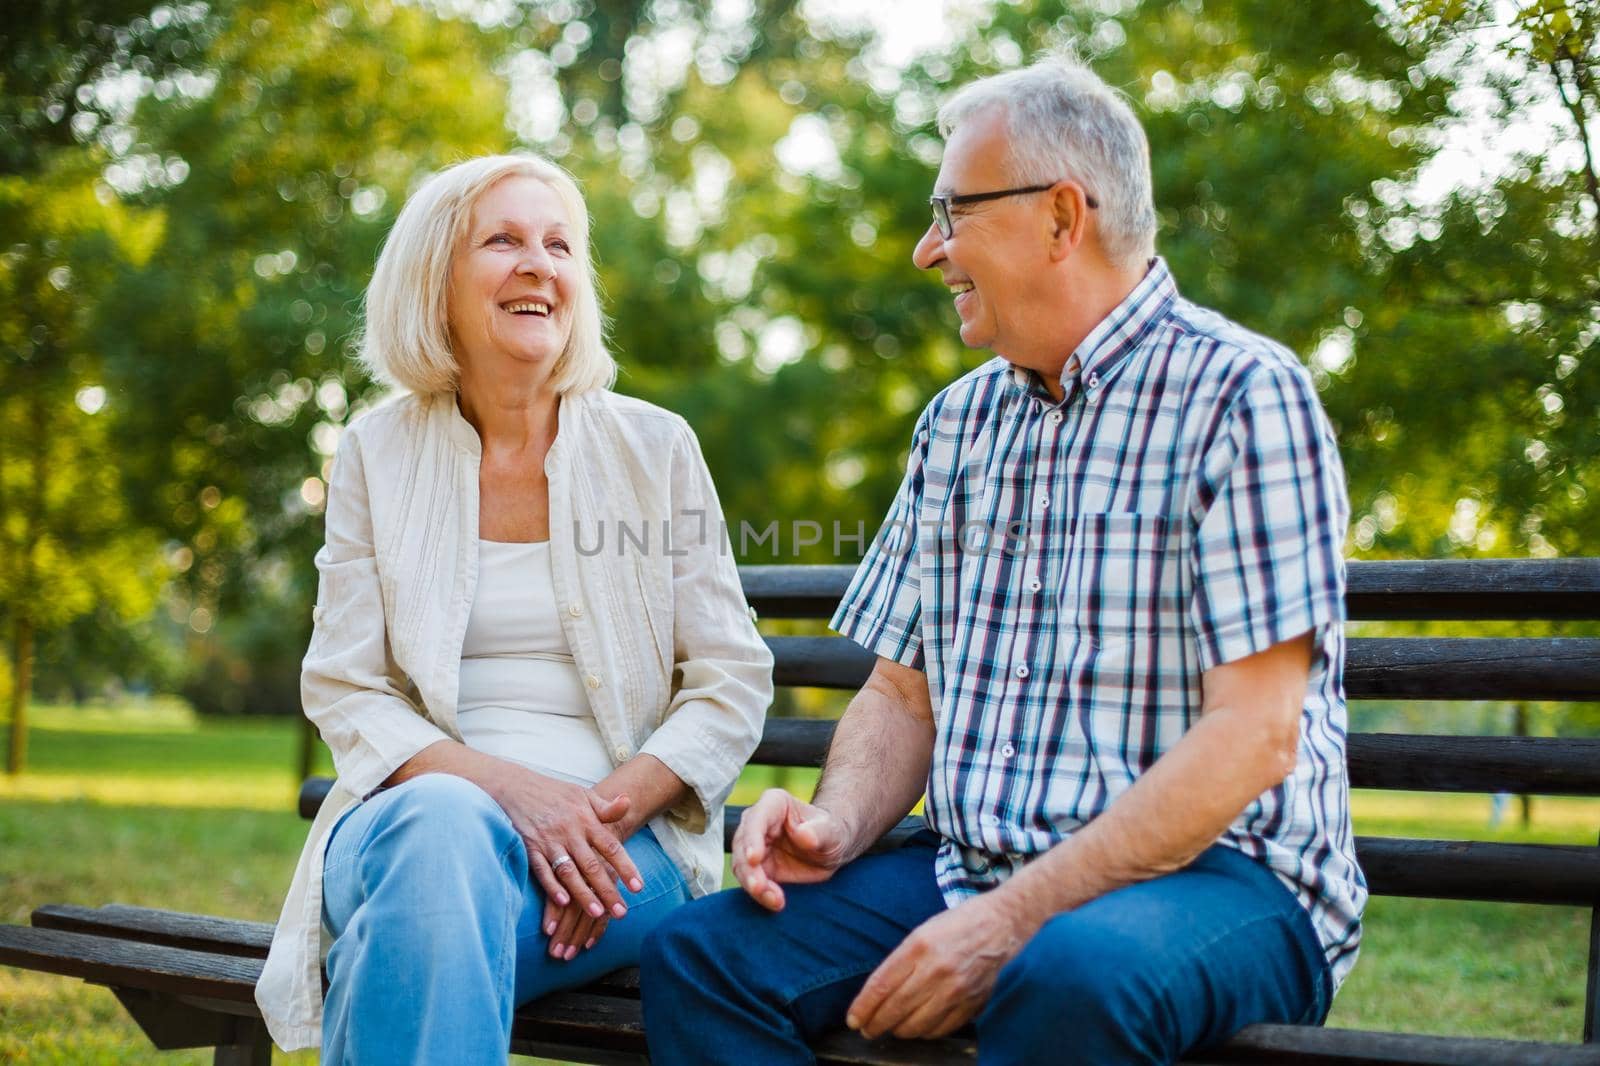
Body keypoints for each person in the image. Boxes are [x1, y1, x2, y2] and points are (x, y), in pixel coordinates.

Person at [641, 54, 1365, 1065]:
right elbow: (903, 695)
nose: (924, 250)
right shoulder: (958, 425)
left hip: (1220, 878)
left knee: (1067, 976)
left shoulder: (1243, 396)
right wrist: (836, 824)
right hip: (969, 864)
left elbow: (1251, 736)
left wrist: (1009, 920)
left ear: (1061, 219)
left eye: (951, 212)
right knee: (701, 956)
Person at [253, 153, 773, 1062]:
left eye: (560, 245)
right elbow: (346, 686)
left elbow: (730, 681)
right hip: (406, 825)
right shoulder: (378, 450)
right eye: (504, 241)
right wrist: (517, 795)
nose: (540, 264)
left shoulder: (655, 449)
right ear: (436, 281)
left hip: (619, 857)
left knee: (407, 937)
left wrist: (592, 818)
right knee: (443, 831)